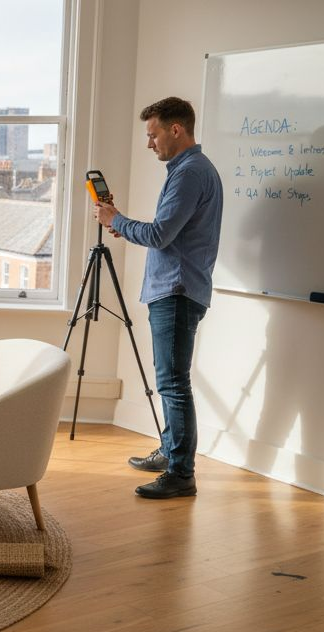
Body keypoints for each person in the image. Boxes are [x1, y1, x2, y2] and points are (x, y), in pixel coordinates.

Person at [93, 97, 223, 499]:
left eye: (153, 134)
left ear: (176, 130)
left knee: (173, 383)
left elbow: (159, 235)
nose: (150, 144)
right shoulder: (190, 170)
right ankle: (170, 452)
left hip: (177, 290)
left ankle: (182, 473)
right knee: (171, 380)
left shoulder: (189, 173)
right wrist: (124, 224)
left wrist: (116, 220)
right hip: (177, 288)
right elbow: (166, 234)